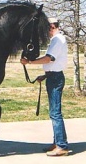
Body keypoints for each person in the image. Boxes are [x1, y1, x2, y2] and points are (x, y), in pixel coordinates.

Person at [20, 17, 69, 156]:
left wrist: (29, 62)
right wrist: (45, 75)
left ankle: (62, 146)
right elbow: (53, 62)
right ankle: (58, 142)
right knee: (54, 112)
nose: (44, 31)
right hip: (52, 77)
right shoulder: (57, 40)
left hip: (55, 78)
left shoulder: (58, 40)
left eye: (45, 28)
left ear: (52, 26)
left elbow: (49, 59)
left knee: (55, 113)